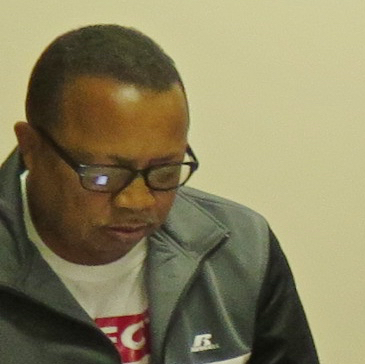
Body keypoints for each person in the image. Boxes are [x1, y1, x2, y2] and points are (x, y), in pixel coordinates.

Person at [0, 25, 319, 363]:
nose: (138, 201)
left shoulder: (240, 252)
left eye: (164, 172)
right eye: (105, 175)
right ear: (31, 147)